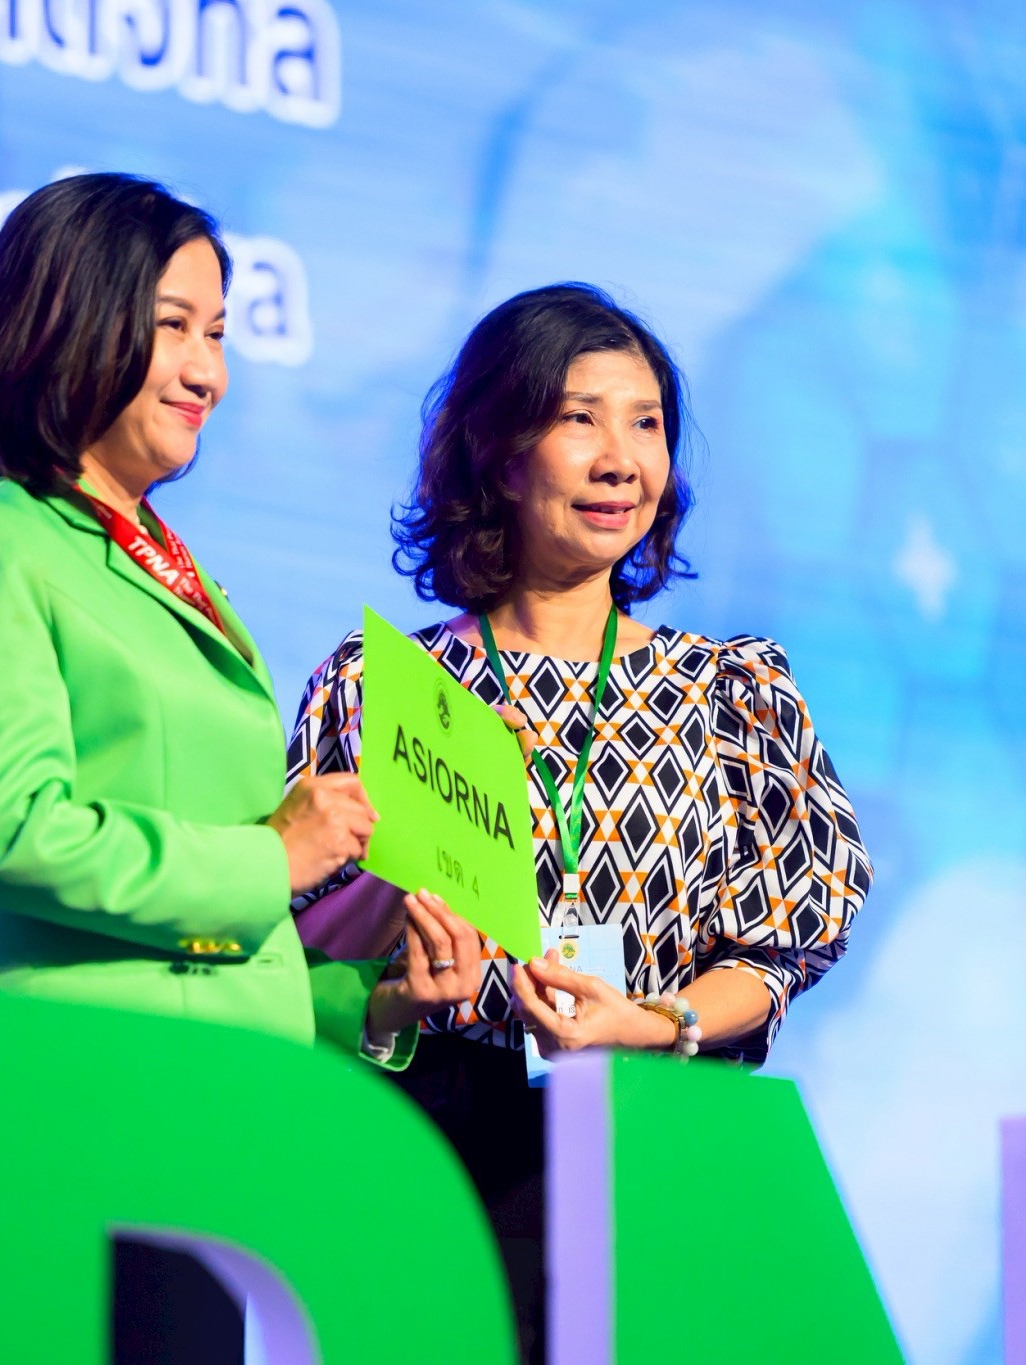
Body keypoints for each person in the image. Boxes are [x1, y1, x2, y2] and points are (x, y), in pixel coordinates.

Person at [0, 172, 485, 1360]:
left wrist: (371, 1004)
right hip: (56, 1122)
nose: (209, 370)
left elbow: (199, 946)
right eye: (174, 328)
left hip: (195, 1135)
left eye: (220, 334)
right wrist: (273, 855)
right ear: (69, 319)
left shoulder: (167, 566)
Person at [286, 282, 873, 1362]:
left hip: (656, 1131)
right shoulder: (382, 686)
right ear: (501, 454)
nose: (620, 460)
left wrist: (654, 1023)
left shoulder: (727, 692)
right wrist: (405, 871)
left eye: (645, 423)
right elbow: (298, 934)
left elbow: (787, 942)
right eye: (579, 419)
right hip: (431, 1141)